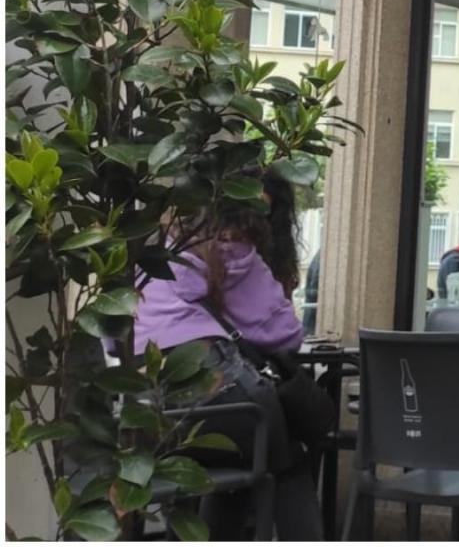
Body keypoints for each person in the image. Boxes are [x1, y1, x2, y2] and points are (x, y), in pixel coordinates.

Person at [133, 196, 323, 540]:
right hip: (226, 396)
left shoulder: (150, 262)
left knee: (235, 465)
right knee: (286, 460)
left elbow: (113, 341)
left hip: (152, 412)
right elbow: (285, 335)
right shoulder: (235, 256)